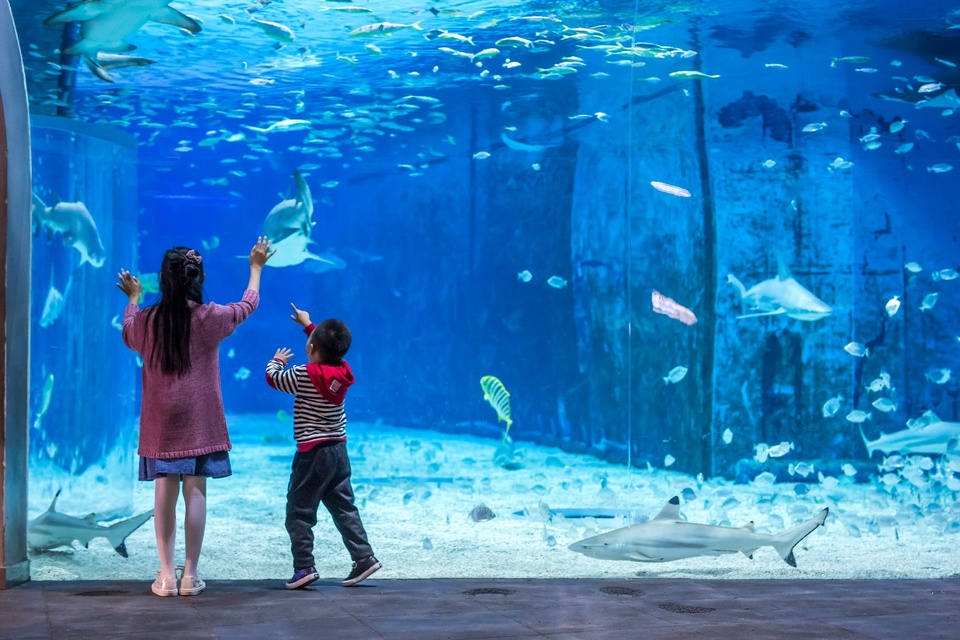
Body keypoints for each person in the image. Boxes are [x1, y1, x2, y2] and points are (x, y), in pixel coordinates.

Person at [116, 237, 274, 597]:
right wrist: (256, 267)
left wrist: (133, 300)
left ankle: (166, 575)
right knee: (196, 492)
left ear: (163, 280)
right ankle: (191, 575)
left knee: (164, 493)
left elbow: (128, 334)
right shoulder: (211, 317)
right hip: (200, 419)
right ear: (197, 278)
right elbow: (247, 305)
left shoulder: (146, 322)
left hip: (161, 421)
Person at [265, 302, 380, 589]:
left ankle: (304, 567)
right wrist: (309, 326)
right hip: (338, 452)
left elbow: (274, 379)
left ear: (312, 348)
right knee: (344, 507)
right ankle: (364, 557)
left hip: (312, 454)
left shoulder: (303, 375)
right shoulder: (343, 371)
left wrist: (276, 360)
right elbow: (330, 349)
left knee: (299, 511)